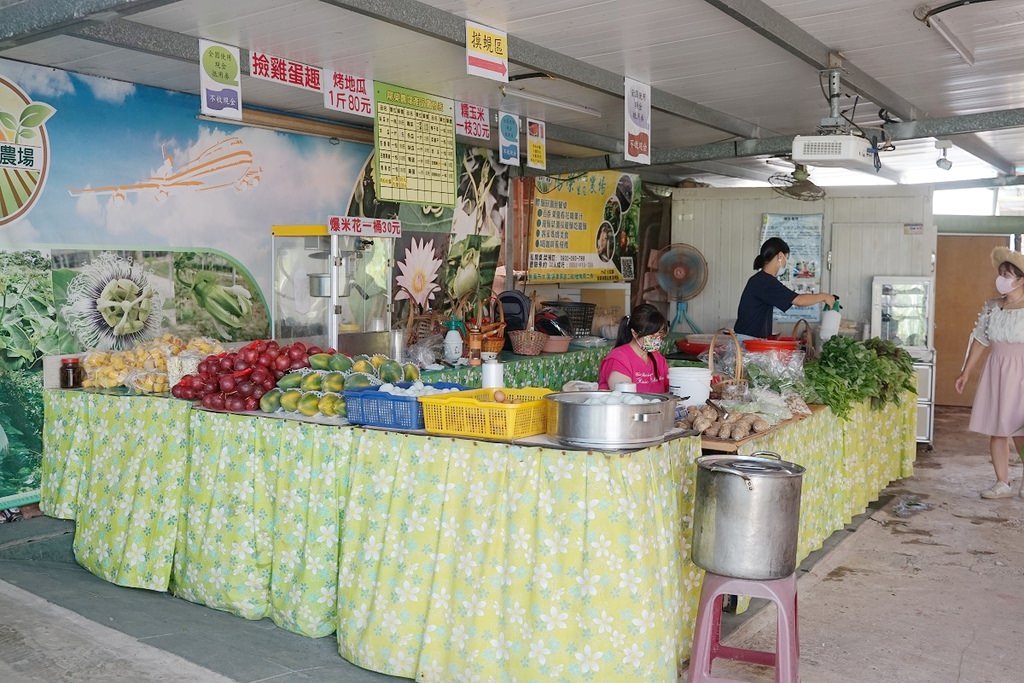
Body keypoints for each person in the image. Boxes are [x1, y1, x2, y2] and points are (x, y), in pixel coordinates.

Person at [954, 246, 1024, 499]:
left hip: (1022, 371)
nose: (1001, 280)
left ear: (1021, 279)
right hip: (998, 369)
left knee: (1022, 428)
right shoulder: (993, 306)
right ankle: (1002, 482)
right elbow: (981, 339)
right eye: (1001, 274)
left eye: (1007, 275)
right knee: (999, 427)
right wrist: (966, 372)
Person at [734, 237, 836, 338]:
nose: (786, 263)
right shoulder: (765, 281)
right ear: (780, 256)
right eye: (786, 259)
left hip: (750, 339)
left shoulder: (760, 279)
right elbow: (799, 300)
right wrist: (824, 297)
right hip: (748, 342)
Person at [597, 303, 669, 393]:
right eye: (651, 335)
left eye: (660, 333)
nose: (657, 339)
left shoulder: (658, 359)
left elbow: (670, 389)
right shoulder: (618, 360)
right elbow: (625, 398)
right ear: (634, 333)